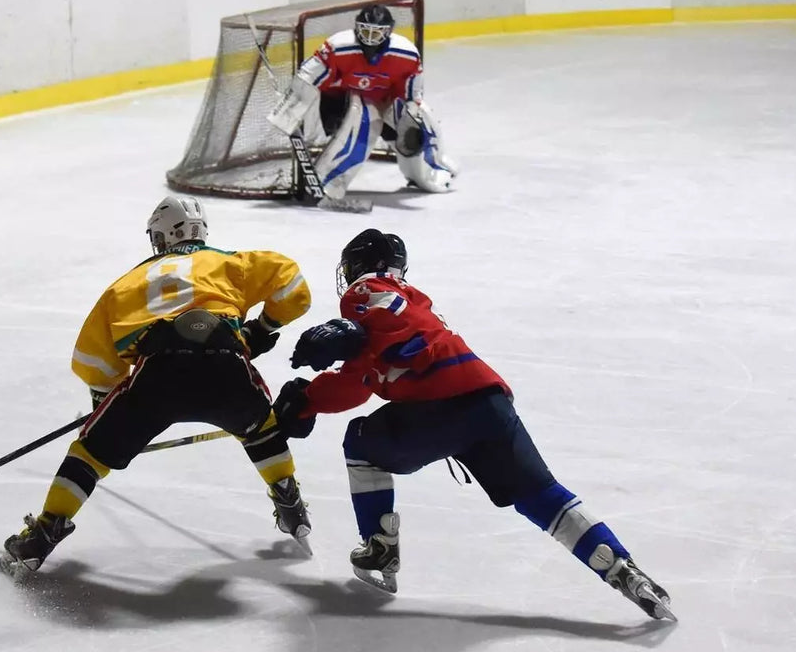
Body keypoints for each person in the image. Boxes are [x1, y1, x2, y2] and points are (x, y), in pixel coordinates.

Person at [272, 229, 674, 620]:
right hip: (488, 406)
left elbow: (390, 336)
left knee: (361, 445)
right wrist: (309, 400)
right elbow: (359, 379)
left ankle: (380, 547)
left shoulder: (366, 292)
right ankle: (622, 568)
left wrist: (342, 343)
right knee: (542, 496)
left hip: (436, 410)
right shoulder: (415, 303)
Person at [0, 196, 314, 576]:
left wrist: (106, 401)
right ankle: (289, 500)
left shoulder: (126, 283)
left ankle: (43, 534)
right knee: (261, 429)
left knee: (90, 453)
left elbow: (91, 358)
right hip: (225, 361)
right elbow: (294, 287)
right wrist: (261, 329)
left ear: (163, 235)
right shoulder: (231, 263)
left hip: (160, 371)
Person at [266, 4, 457, 200]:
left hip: (385, 100)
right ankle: (327, 184)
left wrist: (411, 117)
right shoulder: (339, 46)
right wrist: (289, 111)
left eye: (376, 33)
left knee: (422, 118)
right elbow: (308, 77)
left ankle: (429, 172)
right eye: (365, 31)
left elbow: (411, 95)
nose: (370, 38)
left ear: (388, 31)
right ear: (357, 27)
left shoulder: (406, 53)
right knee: (365, 120)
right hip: (342, 102)